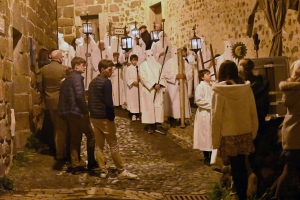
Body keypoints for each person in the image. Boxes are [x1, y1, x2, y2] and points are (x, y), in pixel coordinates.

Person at [211, 60, 258, 200]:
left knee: (235, 167)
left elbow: (216, 117)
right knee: (241, 165)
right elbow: (252, 111)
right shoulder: (245, 88)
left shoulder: (219, 91)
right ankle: (241, 195)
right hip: (244, 133)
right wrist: (253, 132)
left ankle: (240, 195)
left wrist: (215, 141)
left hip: (228, 134)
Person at [88, 59, 138, 179]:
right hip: (104, 117)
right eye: (109, 70)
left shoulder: (92, 82)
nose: (111, 72)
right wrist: (111, 117)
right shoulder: (106, 83)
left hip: (94, 117)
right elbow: (109, 102)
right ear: (102, 70)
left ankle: (103, 170)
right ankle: (121, 170)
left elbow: (90, 99)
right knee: (113, 144)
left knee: (99, 145)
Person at [58, 57, 97, 174]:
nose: (84, 67)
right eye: (82, 65)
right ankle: (91, 162)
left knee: (75, 138)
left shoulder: (68, 78)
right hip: (77, 112)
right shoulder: (77, 78)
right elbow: (79, 96)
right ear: (76, 66)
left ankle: (75, 163)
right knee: (91, 136)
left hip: (69, 113)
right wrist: (86, 111)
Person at [269, 68, 300, 199]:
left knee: (289, 170)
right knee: (289, 171)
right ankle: (273, 195)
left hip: (291, 133)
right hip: (297, 134)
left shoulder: (290, 90)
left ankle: (271, 194)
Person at [40, 50, 70, 160]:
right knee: (61, 128)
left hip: (49, 101)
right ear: (59, 58)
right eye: (62, 57)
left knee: (55, 126)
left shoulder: (44, 69)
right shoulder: (64, 69)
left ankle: (57, 149)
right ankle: (61, 153)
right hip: (61, 102)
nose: (62, 59)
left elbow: (41, 86)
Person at [139, 50, 166, 135]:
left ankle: (158, 125)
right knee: (149, 108)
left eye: (152, 55)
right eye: (148, 55)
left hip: (158, 90)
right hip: (148, 90)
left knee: (158, 107)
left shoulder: (158, 65)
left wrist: (160, 84)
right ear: (146, 57)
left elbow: (163, 76)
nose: (150, 57)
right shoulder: (143, 66)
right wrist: (153, 85)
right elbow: (143, 77)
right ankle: (150, 125)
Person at [163, 47, 192, 127]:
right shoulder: (168, 63)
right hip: (172, 86)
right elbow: (165, 74)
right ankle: (172, 118)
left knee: (182, 101)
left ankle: (182, 118)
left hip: (182, 85)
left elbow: (189, 71)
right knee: (173, 102)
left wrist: (185, 75)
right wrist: (175, 76)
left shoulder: (184, 62)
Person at [193, 69, 212, 165]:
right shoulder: (200, 87)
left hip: (211, 113)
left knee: (211, 135)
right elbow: (198, 100)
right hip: (204, 113)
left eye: (209, 74)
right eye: (207, 74)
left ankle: (212, 155)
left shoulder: (211, 86)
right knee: (205, 135)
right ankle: (206, 156)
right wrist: (211, 105)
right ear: (202, 77)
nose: (210, 75)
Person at [126, 54, 141, 121]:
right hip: (132, 87)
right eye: (133, 60)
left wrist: (139, 79)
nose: (134, 62)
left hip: (138, 86)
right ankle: (133, 114)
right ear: (131, 60)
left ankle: (138, 114)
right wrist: (132, 82)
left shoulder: (138, 68)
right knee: (132, 100)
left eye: (135, 60)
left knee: (138, 101)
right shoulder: (128, 68)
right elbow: (127, 78)